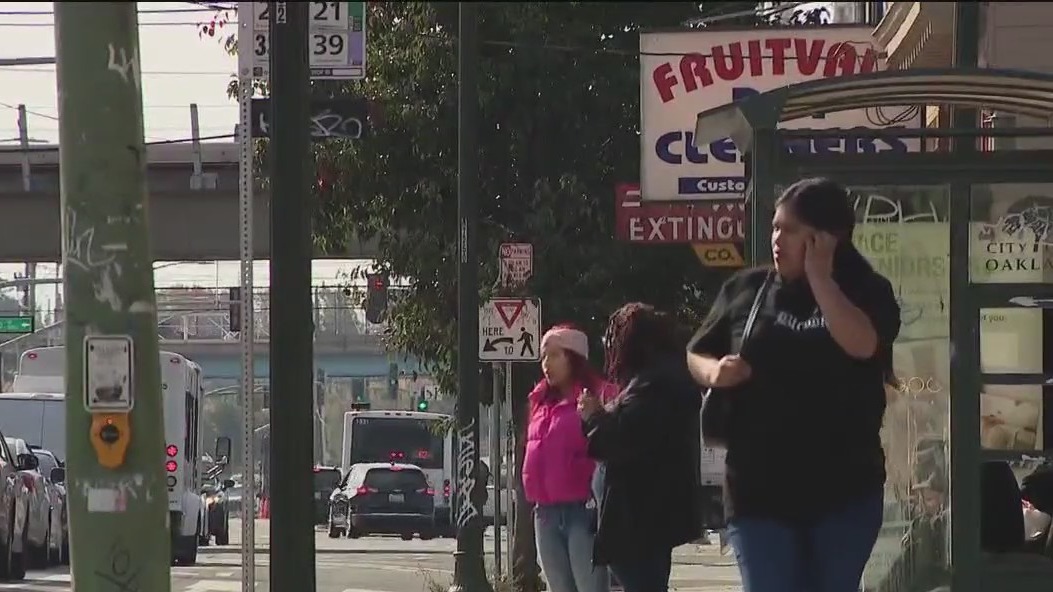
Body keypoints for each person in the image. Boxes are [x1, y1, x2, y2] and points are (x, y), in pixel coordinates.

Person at [686, 177, 902, 592]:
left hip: (844, 492)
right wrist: (715, 372)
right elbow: (696, 350)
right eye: (774, 227)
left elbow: (863, 344)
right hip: (757, 492)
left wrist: (821, 279)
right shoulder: (747, 290)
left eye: (790, 229)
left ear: (826, 238)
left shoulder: (866, 290)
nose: (777, 239)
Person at [578, 303, 703, 592]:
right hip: (646, 518)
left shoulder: (654, 386)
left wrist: (594, 415)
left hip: (638, 519)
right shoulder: (660, 381)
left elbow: (622, 439)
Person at [522, 324, 615, 592]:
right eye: (543, 357)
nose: (546, 364)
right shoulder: (539, 401)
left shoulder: (598, 395)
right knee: (559, 587)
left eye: (554, 355)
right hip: (545, 512)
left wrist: (595, 415)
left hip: (582, 512)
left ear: (574, 357)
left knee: (589, 586)